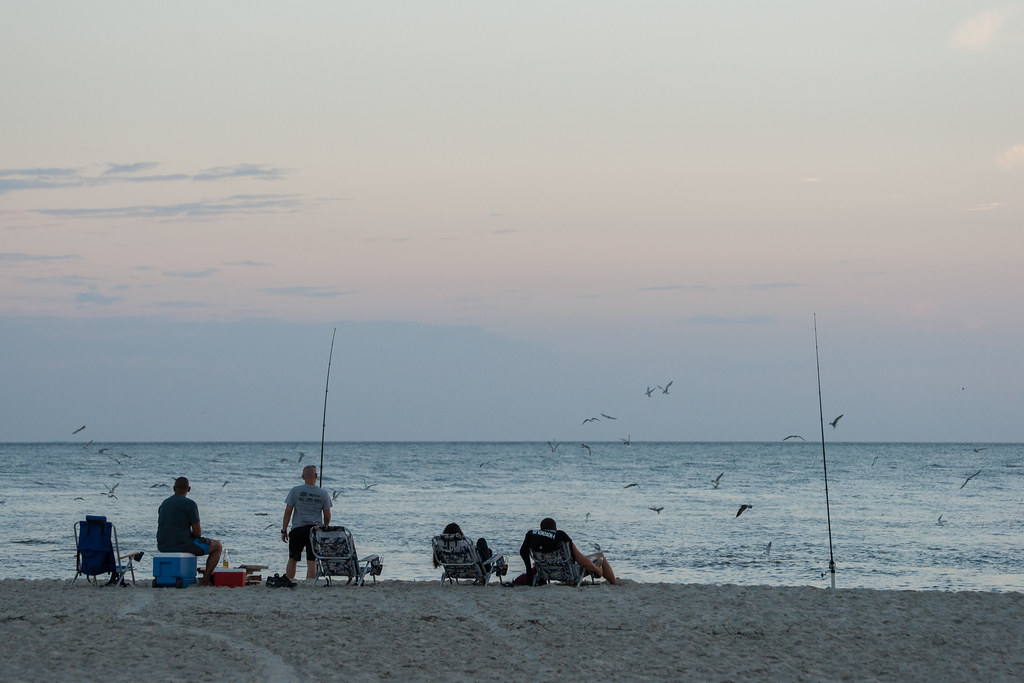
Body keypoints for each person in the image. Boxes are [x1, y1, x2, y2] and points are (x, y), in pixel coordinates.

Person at [157, 477, 223, 586]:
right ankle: (205, 580)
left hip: (163, 545)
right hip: (182, 545)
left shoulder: (164, 503)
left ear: (174, 488)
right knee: (217, 547)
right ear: (189, 489)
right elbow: (197, 533)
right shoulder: (190, 504)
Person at [519, 517, 617, 585]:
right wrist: (597, 570)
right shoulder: (561, 538)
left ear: (541, 530)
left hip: (544, 572)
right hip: (568, 573)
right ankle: (615, 584)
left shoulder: (534, 539)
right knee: (600, 556)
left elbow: (524, 554)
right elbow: (583, 562)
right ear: (555, 529)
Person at [281, 465, 332, 580]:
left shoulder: (295, 490)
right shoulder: (323, 493)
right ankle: (309, 583)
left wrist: (284, 530)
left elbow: (288, 511)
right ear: (316, 476)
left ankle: (289, 580)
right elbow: (327, 515)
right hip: (314, 530)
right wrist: (325, 526)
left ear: (303, 476)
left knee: (293, 558)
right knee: (311, 561)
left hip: (297, 529)